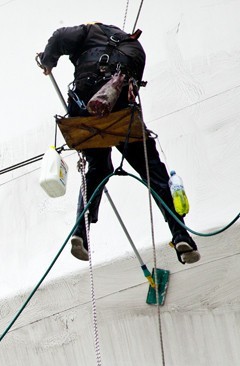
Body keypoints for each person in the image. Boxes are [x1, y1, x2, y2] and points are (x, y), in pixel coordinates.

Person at [38, 22, 200, 264]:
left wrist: (48, 60)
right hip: (121, 112)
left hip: (84, 110)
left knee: (98, 168)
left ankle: (80, 232)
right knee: (153, 171)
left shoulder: (89, 30)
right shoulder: (133, 48)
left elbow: (61, 35)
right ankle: (180, 235)